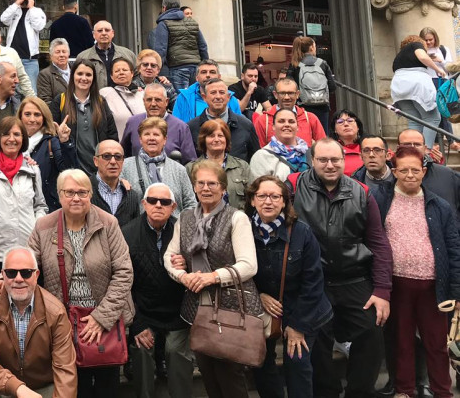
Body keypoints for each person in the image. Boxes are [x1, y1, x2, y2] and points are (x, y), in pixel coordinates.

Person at [290, 137, 392, 398]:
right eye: (323, 159)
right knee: (318, 340)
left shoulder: (361, 191)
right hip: (314, 281)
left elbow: (378, 243)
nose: (330, 164)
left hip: (354, 278)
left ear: (344, 160)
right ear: (312, 160)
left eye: (335, 159)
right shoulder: (292, 185)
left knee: (371, 330)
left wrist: (381, 291)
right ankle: (327, 393)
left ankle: (359, 392)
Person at [27, 168, 135, 397]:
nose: (76, 198)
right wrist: (1, 281)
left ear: (90, 194)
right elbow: (27, 266)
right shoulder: (44, 227)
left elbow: (124, 272)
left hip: (105, 317)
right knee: (76, 386)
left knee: (108, 386)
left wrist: (101, 317)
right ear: (59, 194)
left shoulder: (108, 224)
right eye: (70, 192)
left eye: (82, 192)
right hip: (64, 321)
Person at [165, 159, 263, 398]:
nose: (206, 188)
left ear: (223, 188)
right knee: (209, 376)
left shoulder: (236, 218)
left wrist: (212, 277)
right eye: (201, 183)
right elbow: (169, 255)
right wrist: (183, 276)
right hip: (197, 309)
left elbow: (249, 265)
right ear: (194, 187)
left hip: (231, 309)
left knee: (231, 379)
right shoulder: (185, 218)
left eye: (212, 183)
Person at [374, 145, 460, 398]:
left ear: (423, 171)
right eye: (404, 170)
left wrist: (456, 292)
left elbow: (454, 248)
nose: (410, 175)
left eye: (415, 170)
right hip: (397, 285)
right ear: (394, 171)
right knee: (401, 341)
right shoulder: (380, 201)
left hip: (434, 287)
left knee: (436, 344)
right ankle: (404, 390)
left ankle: (441, 391)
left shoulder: (440, 206)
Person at [246, 175, 331, 398]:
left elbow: (313, 282)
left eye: (275, 196)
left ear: (284, 202)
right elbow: (238, 271)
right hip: (263, 307)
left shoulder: (301, 232)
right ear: (253, 200)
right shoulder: (243, 231)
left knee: (297, 361)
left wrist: (297, 326)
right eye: (262, 196)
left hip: (302, 307)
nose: (268, 201)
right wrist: (258, 295)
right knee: (260, 361)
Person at [0, 246, 78, 398]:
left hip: (42, 388)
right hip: (2, 385)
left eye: (26, 273)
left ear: (36, 274)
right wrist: (17, 388)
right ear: (3, 275)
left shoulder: (55, 311)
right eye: (11, 273)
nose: (18, 279)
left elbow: (65, 370)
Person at [122, 183, 194, 398]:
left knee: (176, 352)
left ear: (174, 207)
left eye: (165, 202)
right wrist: (136, 323)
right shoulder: (127, 234)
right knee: (142, 350)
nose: (158, 205)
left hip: (177, 313)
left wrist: (187, 265)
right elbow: (122, 284)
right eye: (153, 201)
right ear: (144, 204)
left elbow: (200, 271)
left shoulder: (185, 233)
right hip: (143, 312)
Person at [0, 117, 48, 275]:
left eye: (17, 134)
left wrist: (36, 233)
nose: (11, 139)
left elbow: (40, 206)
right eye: (6, 134)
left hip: (26, 252)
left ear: (23, 139)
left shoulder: (33, 170)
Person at [50, 59, 118, 171]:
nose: (84, 78)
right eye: (80, 74)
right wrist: (62, 138)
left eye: (88, 75)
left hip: (99, 171)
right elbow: (51, 136)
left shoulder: (101, 102)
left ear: (93, 78)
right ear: (72, 76)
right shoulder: (60, 100)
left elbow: (112, 135)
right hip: (71, 170)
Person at [121, 117, 196, 216]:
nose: (151, 138)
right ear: (140, 139)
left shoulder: (179, 170)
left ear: (165, 139)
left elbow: (191, 204)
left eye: (156, 134)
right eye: (147, 134)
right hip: (138, 228)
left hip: (174, 229)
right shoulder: (125, 166)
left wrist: (180, 225)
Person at [18, 95, 75, 211]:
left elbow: (69, 170)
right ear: (20, 117)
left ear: (44, 118)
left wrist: (65, 142)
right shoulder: (12, 143)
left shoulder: (51, 142)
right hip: (19, 210)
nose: (32, 119)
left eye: (37, 114)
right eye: (27, 114)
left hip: (47, 210)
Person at [391, 35, 448, 148]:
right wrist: (438, 70)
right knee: (433, 118)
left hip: (399, 88)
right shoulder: (416, 45)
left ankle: (413, 151)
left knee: (414, 121)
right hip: (417, 84)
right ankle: (426, 151)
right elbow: (422, 57)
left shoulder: (400, 56)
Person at [185, 77, 258, 161]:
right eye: (213, 93)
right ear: (204, 97)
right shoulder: (192, 127)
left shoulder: (246, 125)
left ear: (228, 97)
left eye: (222, 92)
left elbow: (255, 159)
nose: (218, 96)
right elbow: (189, 161)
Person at [147, 0, 209, 90]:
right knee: (195, 98)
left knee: (181, 100)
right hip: (196, 67)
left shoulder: (164, 24)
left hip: (178, 68)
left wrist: (157, 70)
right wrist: (206, 65)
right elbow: (203, 46)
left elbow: (161, 49)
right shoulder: (192, 22)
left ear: (164, 8)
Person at [122, 83, 197, 162]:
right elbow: (124, 155)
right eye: (149, 100)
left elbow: (190, 162)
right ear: (143, 101)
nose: (153, 104)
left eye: (158, 100)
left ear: (166, 102)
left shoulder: (181, 127)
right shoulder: (133, 122)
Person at [191, 119, 252, 210]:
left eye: (220, 136)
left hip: (236, 220)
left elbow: (251, 198)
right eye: (211, 136)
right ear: (204, 140)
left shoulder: (242, 167)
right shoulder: (191, 168)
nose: (216, 139)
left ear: (226, 139)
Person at [396, 128, 460, 215]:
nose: (412, 148)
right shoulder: (390, 175)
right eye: (407, 144)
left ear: (425, 148)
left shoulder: (448, 175)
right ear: (398, 148)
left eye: (417, 144)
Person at [252, 77, 327, 147]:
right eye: (282, 93)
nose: (286, 97)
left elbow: (323, 147)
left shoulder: (310, 118)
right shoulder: (263, 120)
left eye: (291, 93)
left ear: (297, 94)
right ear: (275, 94)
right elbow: (259, 152)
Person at [285, 36, 336, 130]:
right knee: (321, 135)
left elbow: (288, 86)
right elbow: (332, 87)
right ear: (312, 47)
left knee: (305, 134)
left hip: (302, 107)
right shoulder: (322, 63)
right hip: (322, 106)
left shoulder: (295, 65)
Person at [1, 0, 47, 89]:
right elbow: (3, 19)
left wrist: (31, 8)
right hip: (12, 60)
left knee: (30, 91)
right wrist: (17, 3)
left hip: (30, 60)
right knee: (11, 92)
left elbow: (39, 26)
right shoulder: (14, 10)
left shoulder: (37, 11)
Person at [171, 60, 241, 124]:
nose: (208, 75)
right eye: (204, 72)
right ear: (197, 78)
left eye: (212, 72)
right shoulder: (183, 98)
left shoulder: (230, 98)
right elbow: (176, 126)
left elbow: (239, 126)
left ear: (219, 77)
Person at [249, 108, 310, 181]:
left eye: (291, 121)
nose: (287, 124)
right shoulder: (261, 156)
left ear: (297, 127)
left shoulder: (311, 153)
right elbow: (258, 189)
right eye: (281, 121)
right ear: (273, 126)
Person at [90, 139, 142, 225]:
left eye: (118, 157)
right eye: (106, 156)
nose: (113, 161)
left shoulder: (131, 196)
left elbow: (135, 234)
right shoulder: (83, 192)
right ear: (96, 161)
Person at [75, 20, 136, 90]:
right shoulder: (83, 57)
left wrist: (133, 89)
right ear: (94, 35)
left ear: (112, 33)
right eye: (100, 31)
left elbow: (138, 75)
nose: (104, 33)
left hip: (123, 98)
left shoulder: (127, 54)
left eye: (107, 30)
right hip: (95, 99)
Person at [98, 56, 144, 140]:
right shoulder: (104, 93)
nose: (121, 73)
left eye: (125, 70)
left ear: (132, 73)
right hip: (118, 146)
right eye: (117, 71)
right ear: (111, 76)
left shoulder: (142, 94)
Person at [37, 38, 71, 107]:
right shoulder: (45, 75)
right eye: (57, 52)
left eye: (64, 52)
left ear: (68, 54)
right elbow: (45, 101)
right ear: (51, 56)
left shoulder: (76, 70)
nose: (61, 55)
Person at [331, 109, 364, 176]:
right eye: (340, 122)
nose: (346, 124)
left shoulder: (369, 146)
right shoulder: (330, 149)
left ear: (358, 127)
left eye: (350, 121)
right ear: (335, 130)